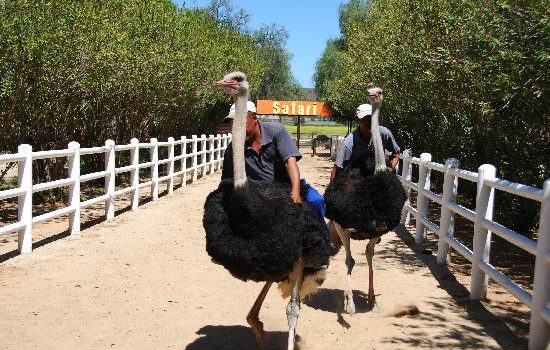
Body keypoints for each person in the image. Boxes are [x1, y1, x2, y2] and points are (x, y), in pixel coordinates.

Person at [221, 101, 326, 218]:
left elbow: (290, 162)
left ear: (254, 118)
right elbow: (227, 181)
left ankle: (319, 233)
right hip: (258, 193)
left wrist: (295, 192)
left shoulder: (277, 131)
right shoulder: (233, 149)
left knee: (316, 201)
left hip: (287, 186)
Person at [330, 103, 400, 182]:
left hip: (378, 175)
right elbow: (337, 169)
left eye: (371, 119)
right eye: (365, 119)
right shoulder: (349, 143)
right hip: (357, 178)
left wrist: (390, 169)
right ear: (358, 121)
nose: (368, 122)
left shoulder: (384, 133)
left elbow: (396, 153)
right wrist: (332, 191)